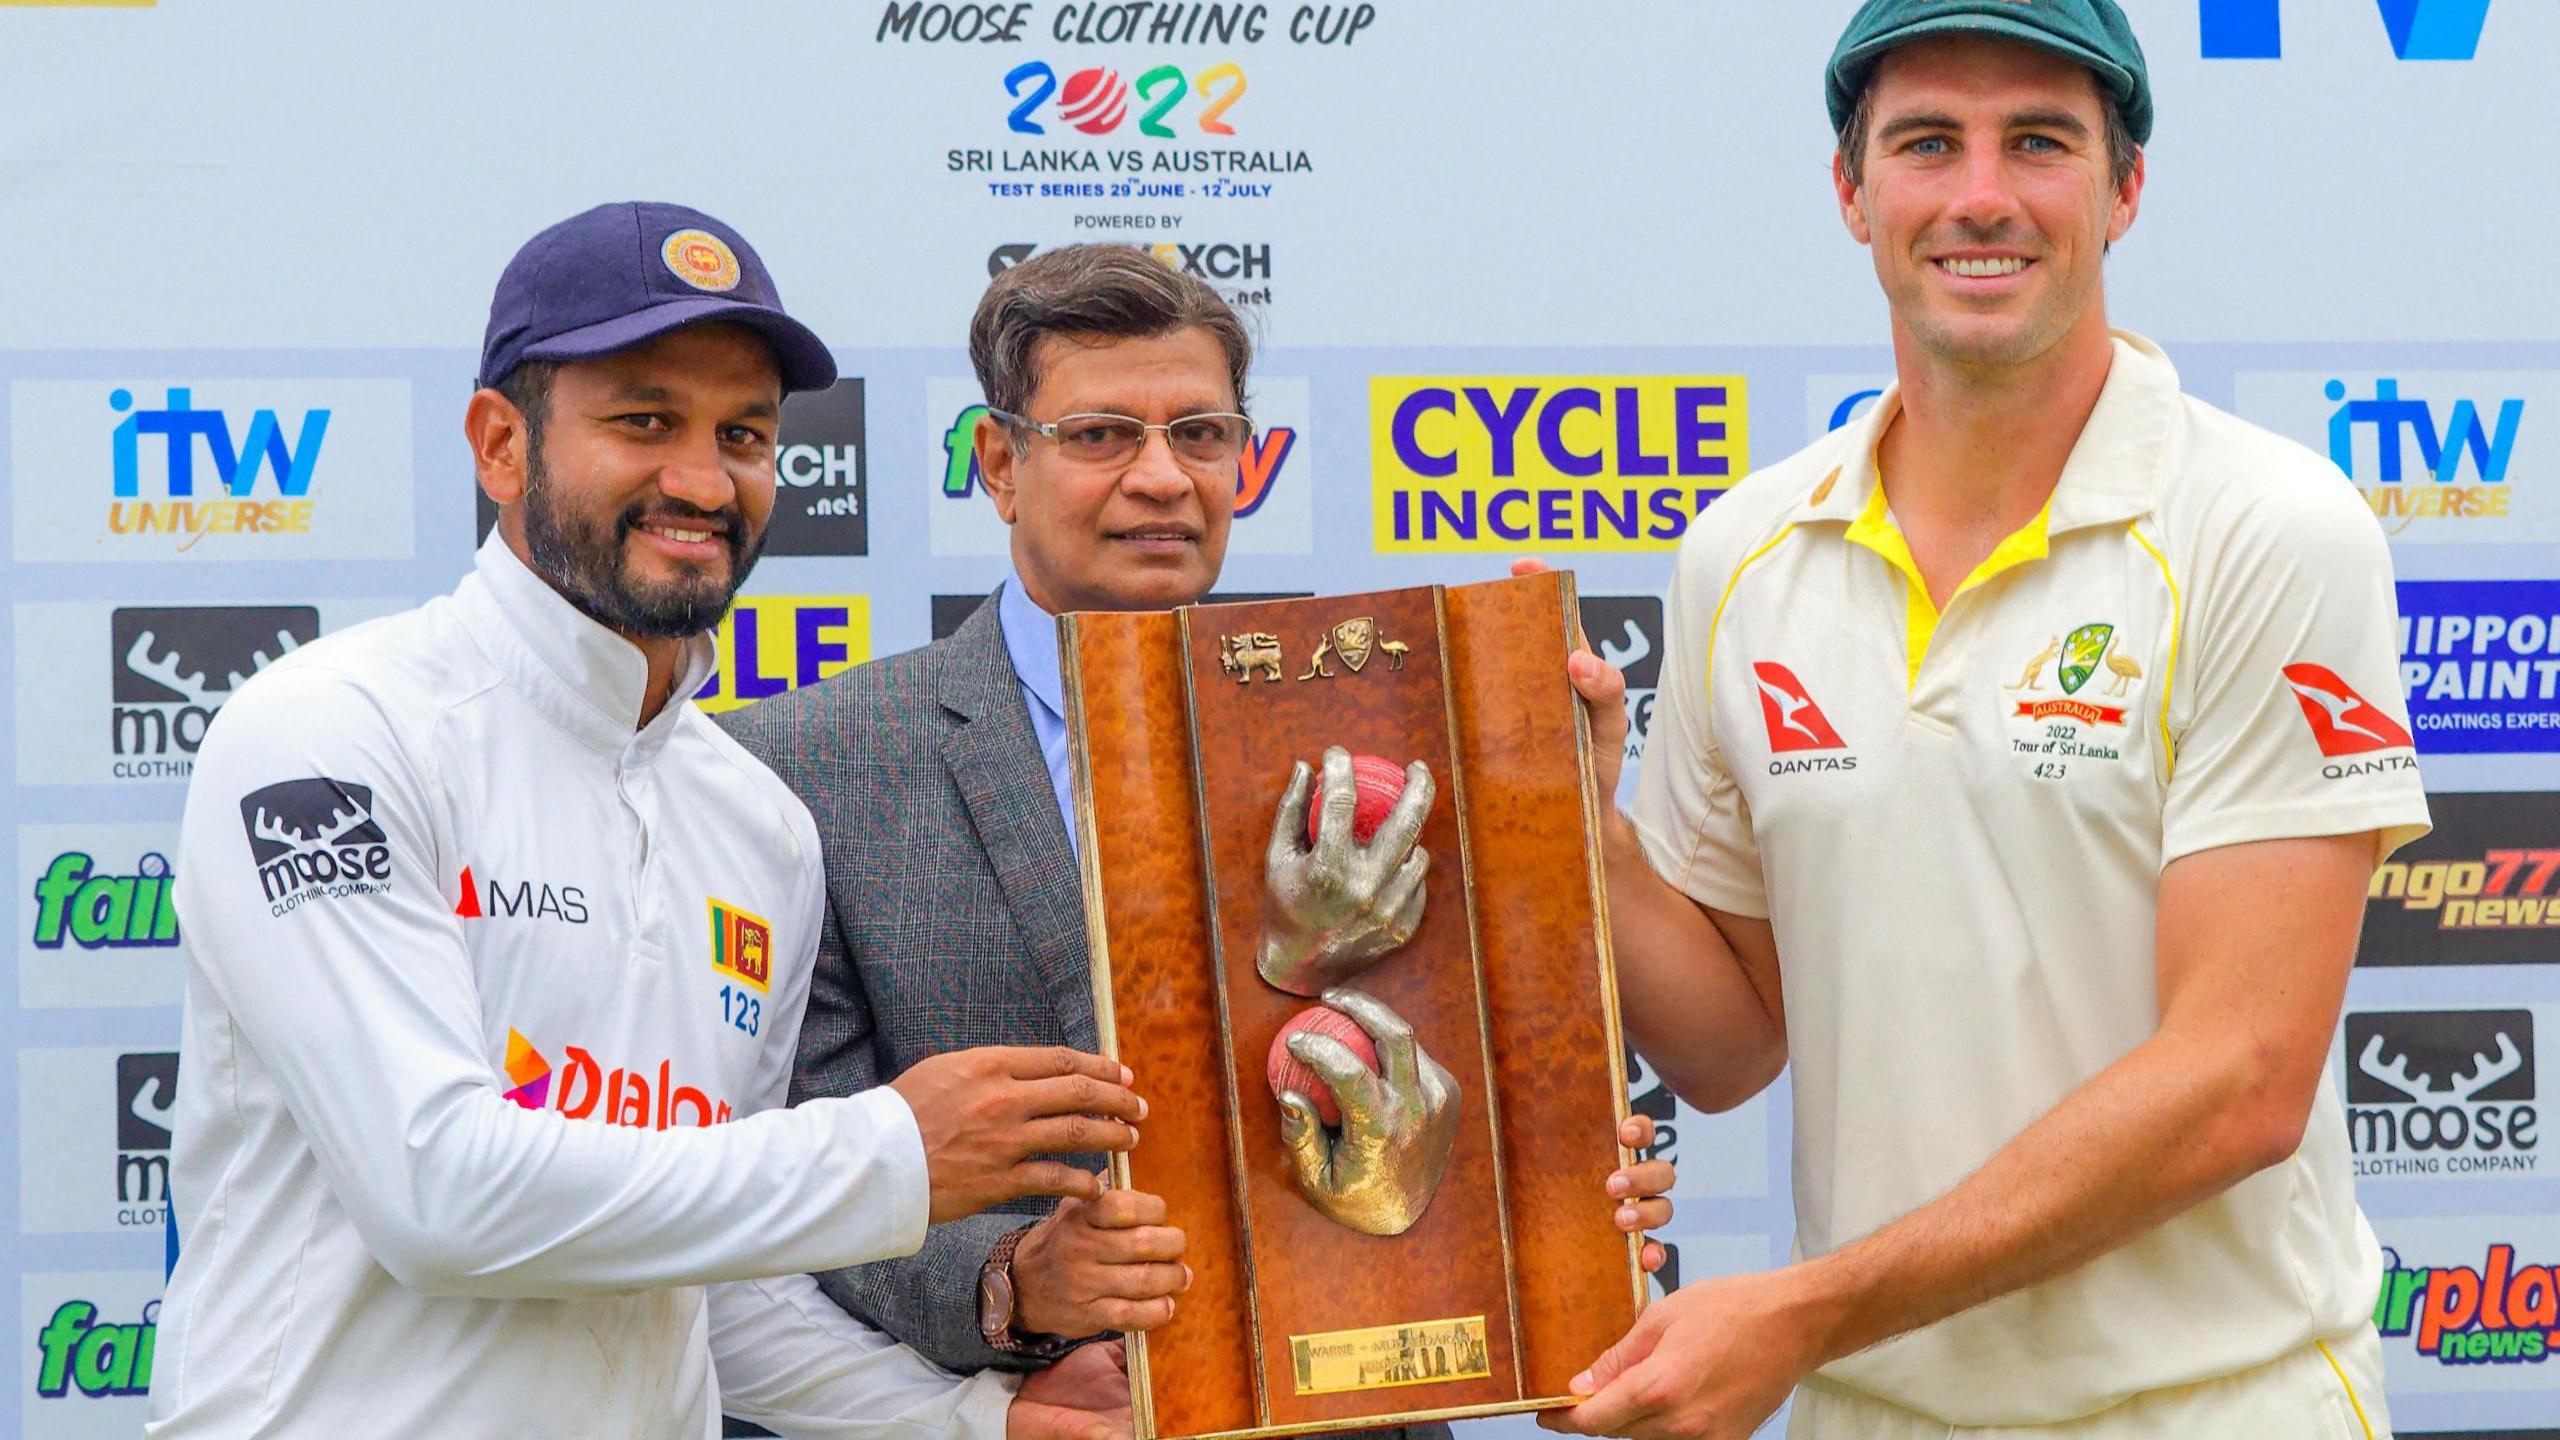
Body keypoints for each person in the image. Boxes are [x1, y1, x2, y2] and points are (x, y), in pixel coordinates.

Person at [1539, 4, 2429, 1437]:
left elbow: (2245, 1082)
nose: (1981, 197)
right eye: (1927, 143)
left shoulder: (2268, 528)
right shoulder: (1745, 549)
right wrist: (1585, 833)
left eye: (2040, 142)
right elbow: (1730, 1048)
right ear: (1852, 191)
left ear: (2126, 188)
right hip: (1866, 1402)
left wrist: (1808, 1306)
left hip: (2210, 1403)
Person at [148, 202, 1148, 1440]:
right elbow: (437, 1196)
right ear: (499, 443)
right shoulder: (329, 733)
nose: (700, 478)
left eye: (743, 432)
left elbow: (723, 1303)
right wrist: (888, 1153)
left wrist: (975, 1422)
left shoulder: (758, 825)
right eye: (644, 421)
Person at [723, 244, 1675, 1431]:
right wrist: (1014, 1283)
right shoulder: (804, 762)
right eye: (1101, 434)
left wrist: (1558, 1182)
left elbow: (1480, 1066)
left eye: (1202, 433)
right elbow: (780, 1169)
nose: (1163, 477)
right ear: (999, 464)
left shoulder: (1400, 722)